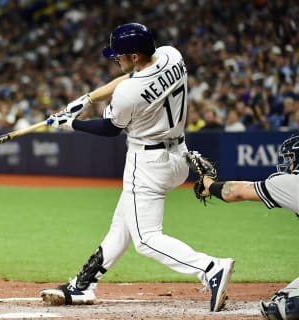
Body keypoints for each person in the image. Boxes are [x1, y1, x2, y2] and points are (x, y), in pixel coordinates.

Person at [41, 22, 234, 312]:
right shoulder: (172, 55)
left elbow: (109, 128)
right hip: (178, 156)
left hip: (147, 163)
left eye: (119, 55)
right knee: (122, 225)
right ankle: (83, 285)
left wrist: (72, 123)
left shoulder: (128, 93)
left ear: (133, 56)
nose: (115, 59)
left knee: (145, 239)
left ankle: (210, 268)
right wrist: (89, 98)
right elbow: (134, 78)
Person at [185, 133, 299, 320]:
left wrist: (208, 181)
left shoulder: (292, 182)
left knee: (285, 307)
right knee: (285, 296)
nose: (289, 165)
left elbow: (236, 192)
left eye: (292, 159)